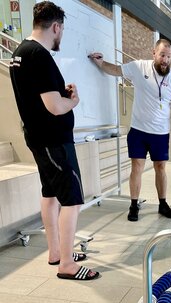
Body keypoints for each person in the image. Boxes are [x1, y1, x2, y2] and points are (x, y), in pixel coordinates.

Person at [9, 1, 99, 280]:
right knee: (71, 200)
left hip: (38, 138)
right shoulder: (39, 55)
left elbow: (40, 96)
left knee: (50, 195)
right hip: (54, 141)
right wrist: (73, 99)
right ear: (56, 26)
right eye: (62, 30)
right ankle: (68, 265)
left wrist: (61, 92)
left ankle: (57, 252)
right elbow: (55, 107)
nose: (62, 35)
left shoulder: (20, 52)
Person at [89, 39, 171, 221]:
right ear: (154, 53)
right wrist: (101, 63)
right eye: (163, 55)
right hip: (139, 131)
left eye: (169, 57)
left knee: (161, 168)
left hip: (160, 133)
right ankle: (134, 205)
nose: (165, 60)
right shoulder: (139, 67)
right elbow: (117, 70)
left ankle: (162, 204)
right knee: (137, 167)